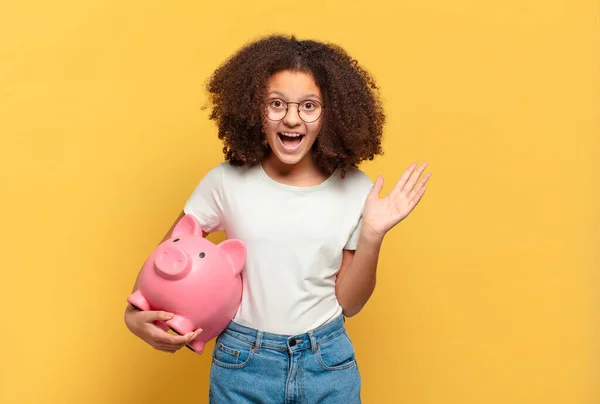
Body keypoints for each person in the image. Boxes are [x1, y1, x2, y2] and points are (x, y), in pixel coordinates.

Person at [124, 34, 431, 403]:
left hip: (326, 362)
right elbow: (164, 263)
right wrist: (133, 316)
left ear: (331, 114)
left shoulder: (354, 188)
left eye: (308, 106)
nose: (291, 118)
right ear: (255, 109)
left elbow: (350, 302)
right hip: (243, 362)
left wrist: (372, 235)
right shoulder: (226, 181)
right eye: (276, 104)